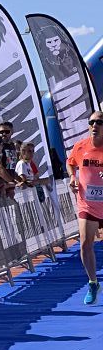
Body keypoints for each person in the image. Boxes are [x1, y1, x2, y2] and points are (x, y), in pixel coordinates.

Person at [66, 111, 103, 304]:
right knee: (84, 243)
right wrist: (73, 177)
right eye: (91, 122)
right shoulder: (80, 146)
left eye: (99, 122)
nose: (95, 125)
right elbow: (70, 163)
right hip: (87, 203)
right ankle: (92, 282)